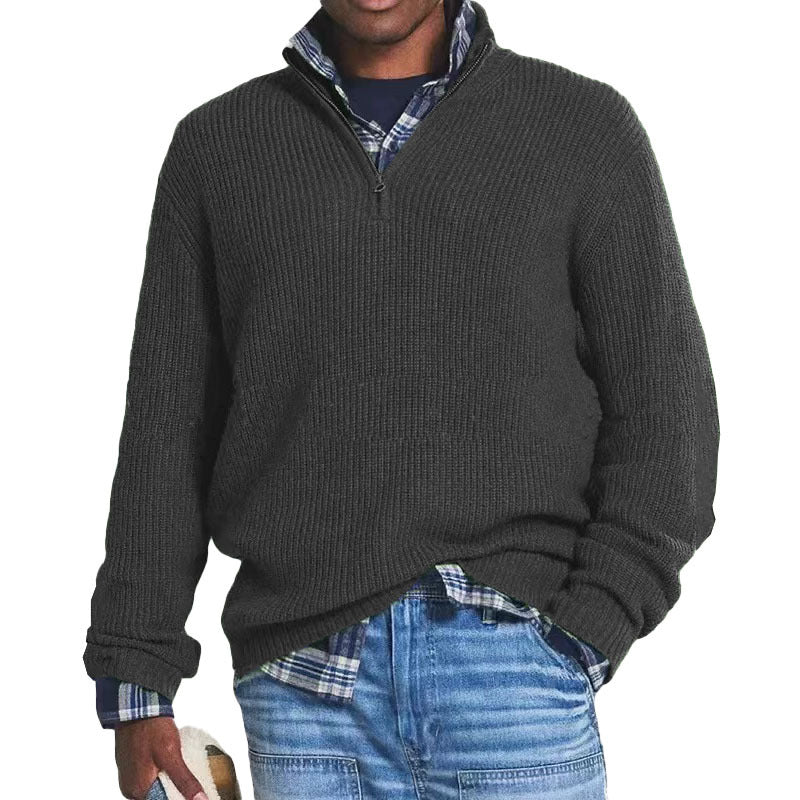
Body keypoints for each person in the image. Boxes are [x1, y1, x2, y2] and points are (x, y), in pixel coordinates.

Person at [83, 1, 720, 798]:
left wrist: (584, 633)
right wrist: (137, 681)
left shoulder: (582, 128)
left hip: (514, 673)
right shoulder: (218, 148)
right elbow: (167, 429)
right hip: (303, 691)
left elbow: (668, 419)